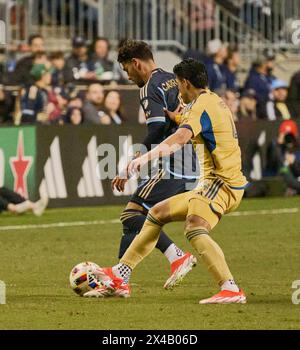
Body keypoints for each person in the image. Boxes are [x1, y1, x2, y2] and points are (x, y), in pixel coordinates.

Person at [85, 59, 248, 305]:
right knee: (157, 213)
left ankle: (230, 288)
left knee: (194, 227)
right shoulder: (211, 101)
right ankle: (121, 273)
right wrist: (174, 115)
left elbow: (181, 138)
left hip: (222, 184)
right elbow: (189, 119)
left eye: (179, 85)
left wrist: (142, 159)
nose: (177, 91)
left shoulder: (202, 106)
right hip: (212, 184)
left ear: (185, 82)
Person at [104, 40, 198, 290]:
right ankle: (120, 280)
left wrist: (134, 160)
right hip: (192, 160)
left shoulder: (149, 88)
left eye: (126, 70)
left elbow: (156, 128)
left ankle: (178, 257)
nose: (128, 76)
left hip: (175, 163)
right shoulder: (172, 79)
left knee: (132, 213)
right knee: (134, 221)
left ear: (136, 63)